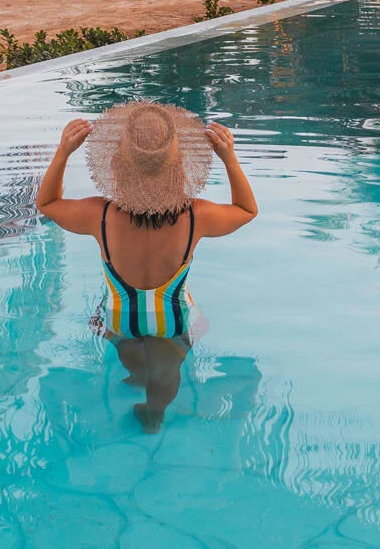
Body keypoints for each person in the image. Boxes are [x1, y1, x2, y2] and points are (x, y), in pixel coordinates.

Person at [36, 99, 257, 429]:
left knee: (129, 357)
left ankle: (138, 376)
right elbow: (246, 210)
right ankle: (155, 413)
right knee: (170, 367)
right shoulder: (196, 216)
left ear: (117, 165)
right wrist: (228, 157)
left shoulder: (100, 215)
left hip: (120, 317)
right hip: (174, 318)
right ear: (180, 166)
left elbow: (48, 203)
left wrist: (63, 152)